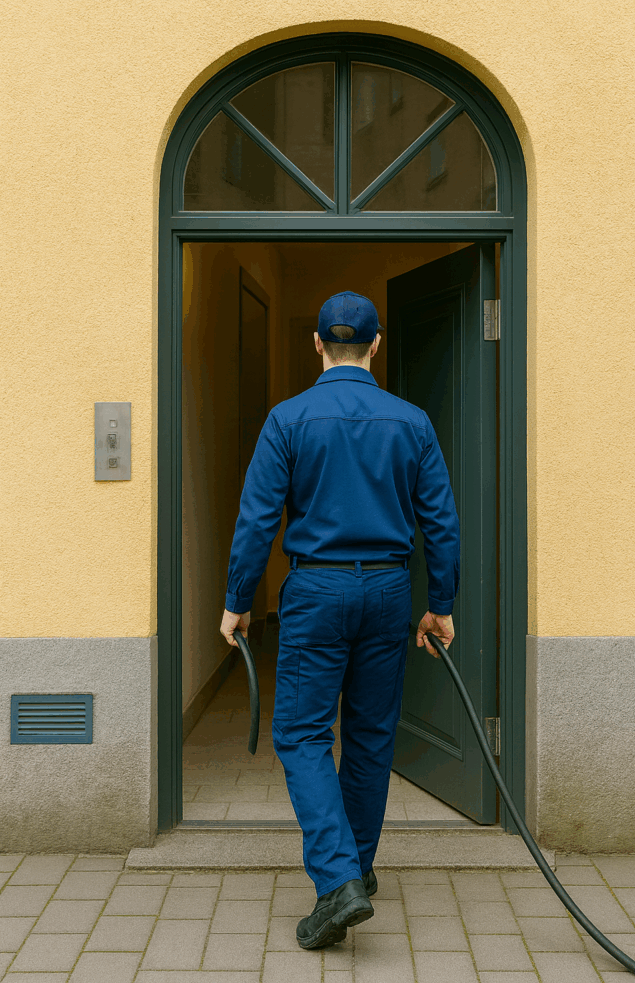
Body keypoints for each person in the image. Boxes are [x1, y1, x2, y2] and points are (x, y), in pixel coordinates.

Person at [220, 290, 459, 950]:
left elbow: (257, 520)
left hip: (317, 590)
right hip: (386, 590)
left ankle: (337, 881)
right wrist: (439, 604)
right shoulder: (409, 421)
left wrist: (237, 600)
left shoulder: (288, 419)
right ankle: (356, 867)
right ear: (376, 345)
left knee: (299, 736)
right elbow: (440, 519)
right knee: (371, 734)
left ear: (317, 344)